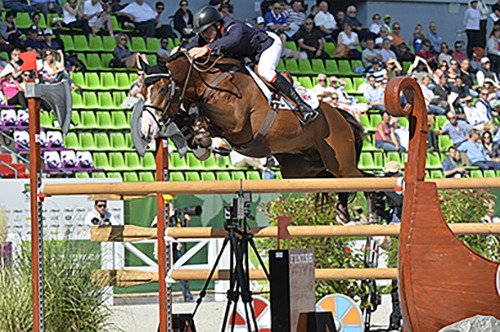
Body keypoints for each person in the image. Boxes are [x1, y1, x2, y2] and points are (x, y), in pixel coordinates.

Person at [186, 5, 318, 125]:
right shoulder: (207, 34)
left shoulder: (232, 25)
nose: (204, 35)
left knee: (265, 72)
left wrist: (206, 49)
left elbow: (233, 39)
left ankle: (302, 105)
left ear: (216, 24)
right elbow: (190, 46)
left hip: (267, 45)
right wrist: (181, 51)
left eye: (206, 31)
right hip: (249, 55)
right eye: (202, 32)